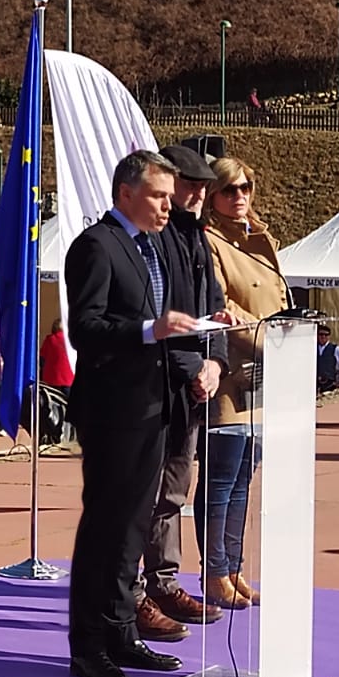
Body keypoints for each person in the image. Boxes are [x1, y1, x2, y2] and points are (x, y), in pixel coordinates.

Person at [64, 149, 200, 677]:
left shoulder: (155, 246)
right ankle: (88, 644)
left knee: (133, 530)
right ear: (126, 193)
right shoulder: (97, 246)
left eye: (170, 196)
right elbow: (86, 328)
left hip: (155, 404)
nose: (169, 205)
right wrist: (148, 330)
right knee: (105, 530)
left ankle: (121, 632)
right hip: (113, 411)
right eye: (159, 195)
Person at [129, 144, 227, 641]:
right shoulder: (149, 241)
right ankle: (133, 595)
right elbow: (158, 319)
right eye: (188, 185)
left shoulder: (196, 238)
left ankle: (163, 580)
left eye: (200, 186)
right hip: (154, 385)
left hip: (191, 385)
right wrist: (195, 364)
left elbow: (213, 310)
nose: (195, 194)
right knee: (141, 495)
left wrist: (216, 363)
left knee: (173, 491)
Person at [200, 156, 289, 609]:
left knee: (242, 481)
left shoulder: (260, 237)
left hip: (266, 374)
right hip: (232, 372)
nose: (240, 197)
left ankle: (232, 567)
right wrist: (269, 341)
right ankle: (214, 572)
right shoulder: (210, 241)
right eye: (229, 189)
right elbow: (223, 310)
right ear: (212, 197)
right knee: (221, 479)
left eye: (246, 187)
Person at [38, 318, 74, 391]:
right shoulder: (71, 340)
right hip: (69, 380)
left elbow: (41, 359)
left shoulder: (50, 340)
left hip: (51, 381)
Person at [317, 325, 339, 392]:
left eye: (326, 335)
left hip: (329, 384)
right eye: (321, 334)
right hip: (315, 384)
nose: (323, 336)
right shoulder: (313, 348)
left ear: (329, 336)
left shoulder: (335, 348)